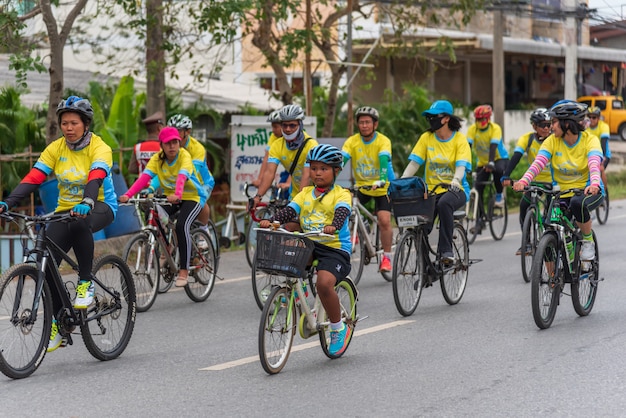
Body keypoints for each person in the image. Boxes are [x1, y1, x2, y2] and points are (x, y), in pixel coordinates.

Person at [0, 96, 118, 352]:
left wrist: (87, 201)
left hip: (99, 205)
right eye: (64, 123)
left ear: (85, 124)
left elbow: (96, 177)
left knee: (79, 223)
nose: (68, 128)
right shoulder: (56, 148)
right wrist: (8, 203)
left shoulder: (100, 147)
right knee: (47, 260)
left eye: (74, 123)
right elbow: (34, 177)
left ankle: (85, 283)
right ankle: (60, 322)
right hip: (65, 209)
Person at [259, 144, 352, 356]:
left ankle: (338, 329)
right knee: (288, 257)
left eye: (324, 169)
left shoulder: (341, 194)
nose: (317, 173)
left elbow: (342, 213)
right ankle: (294, 292)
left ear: (336, 171)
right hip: (310, 243)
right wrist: (272, 221)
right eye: (314, 168)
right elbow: (289, 211)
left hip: (334, 248)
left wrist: (334, 226)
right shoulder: (305, 194)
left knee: (324, 284)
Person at [513, 100, 603, 262]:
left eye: (554, 122)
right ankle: (552, 279)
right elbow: (538, 164)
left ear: (567, 124)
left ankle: (587, 241)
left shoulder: (590, 140)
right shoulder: (552, 141)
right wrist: (524, 180)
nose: (550, 127)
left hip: (588, 190)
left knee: (577, 203)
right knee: (550, 227)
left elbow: (594, 164)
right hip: (563, 192)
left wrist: (595, 183)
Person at [119, 127, 208, 287]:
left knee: (182, 225)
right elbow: (144, 178)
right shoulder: (157, 159)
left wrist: (178, 193)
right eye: (168, 143)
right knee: (154, 215)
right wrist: (128, 194)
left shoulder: (184, 156)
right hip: (169, 198)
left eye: (175, 142)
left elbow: (182, 176)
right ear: (162, 145)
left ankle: (184, 270)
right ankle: (169, 247)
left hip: (192, 197)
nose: (172, 146)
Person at [401, 100, 472, 263]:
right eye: (429, 117)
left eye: (434, 116)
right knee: (421, 226)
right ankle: (425, 268)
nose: (431, 120)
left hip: (456, 189)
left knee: (444, 203)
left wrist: (455, 180)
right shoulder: (426, 138)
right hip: (431, 191)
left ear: (446, 118)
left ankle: (446, 251)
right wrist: (401, 183)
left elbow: (461, 167)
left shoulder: (460, 140)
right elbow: (414, 164)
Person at [341, 106, 394, 272]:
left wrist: (382, 179)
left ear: (375, 125)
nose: (364, 125)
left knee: (384, 220)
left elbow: (383, 160)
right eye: (361, 122)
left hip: (382, 187)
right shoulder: (352, 141)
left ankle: (386, 257)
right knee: (343, 206)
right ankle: (360, 227)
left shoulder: (383, 141)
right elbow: (341, 160)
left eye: (367, 122)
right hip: (362, 186)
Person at [502, 108, 553, 255]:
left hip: (553, 182)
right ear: (534, 126)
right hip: (534, 181)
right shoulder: (527, 139)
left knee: (551, 213)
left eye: (549, 125)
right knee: (524, 205)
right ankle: (527, 242)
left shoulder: (554, 139)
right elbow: (516, 156)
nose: (546, 128)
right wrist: (506, 175)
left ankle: (551, 239)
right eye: (542, 125)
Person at [251, 104, 318, 211]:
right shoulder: (277, 145)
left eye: (292, 125)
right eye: (284, 125)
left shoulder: (311, 145)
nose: (287, 129)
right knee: (287, 226)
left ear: (300, 125)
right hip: (295, 194)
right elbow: (269, 173)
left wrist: (299, 203)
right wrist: (258, 197)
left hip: (315, 196)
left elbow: (307, 175)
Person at [166, 114, 215, 230]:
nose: (173, 134)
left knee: (199, 201)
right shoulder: (168, 146)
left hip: (201, 182)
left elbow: (191, 172)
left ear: (187, 132)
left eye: (177, 131)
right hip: (179, 181)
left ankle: (203, 232)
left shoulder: (197, 148)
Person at [466, 104, 509, 234]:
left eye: (482, 119)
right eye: (477, 119)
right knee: (477, 189)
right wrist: (465, 164)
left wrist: (491, 162)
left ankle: (499, 195)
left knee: (498, 171)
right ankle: (480, 221)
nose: (479, 122)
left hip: (498, 158)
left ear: (488, 118)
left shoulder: (495, 128)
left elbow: (493, 146)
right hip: (482, 162)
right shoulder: (472, 129)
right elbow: (467, 147)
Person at [252, 109, 291, 198]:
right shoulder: (274, 137)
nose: (273, 130)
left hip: (300, 171)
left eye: (275, 127)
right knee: (275, 197)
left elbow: (298, 166)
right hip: (288, 171)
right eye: (272, 127)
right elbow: (267, 159)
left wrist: (289, 183)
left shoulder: (292, 139)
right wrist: (260, 179)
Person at [128, 111, 164, 177]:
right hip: (159, 185)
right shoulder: (164, 147)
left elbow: (132, 169)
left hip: (142, 186)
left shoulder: (138, 147)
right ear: (159, 129)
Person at [586, 106, 611, 189]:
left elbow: (603, 144)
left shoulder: (604, 126)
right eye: (589, 117)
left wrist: (602, 160)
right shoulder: (586, 128)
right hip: (590, 154)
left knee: (600, 169)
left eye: (594, 117)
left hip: (604, 154)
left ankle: (604, 191)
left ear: (598, 118)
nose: (591, 120)